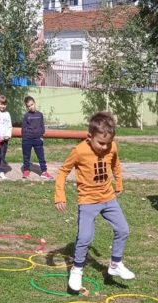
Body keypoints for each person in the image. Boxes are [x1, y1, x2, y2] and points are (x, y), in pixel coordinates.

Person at [54, 111, 134, 291]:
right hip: (88, 200)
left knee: (123, 229)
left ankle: (115, 264)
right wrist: (60, 194)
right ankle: (77, 269)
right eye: (101, 143)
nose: (105, 147)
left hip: (108, 197)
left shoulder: (112, 147)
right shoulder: (79, 151)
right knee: (84, 237)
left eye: (108, 143)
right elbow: (62, 172)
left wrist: (119, 181)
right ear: (89, 137)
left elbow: (115, 164)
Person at [21, 96, 52, 179]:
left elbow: (42, 126)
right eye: (28, 106)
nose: (31, 107)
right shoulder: (26, 115)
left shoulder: (40, 115)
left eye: (32, 104)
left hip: (37, 139)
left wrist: (41, 136)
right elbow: (23, 128)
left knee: (41, 156)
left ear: (34, 103)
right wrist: (24, 138)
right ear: (26, 107)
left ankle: (44, 172)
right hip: (27, 139)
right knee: (26, 156)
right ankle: (26, 170)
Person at [0, 94, 12, 181]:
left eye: (4, 104)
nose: (2, 106)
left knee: (2, 155)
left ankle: (1, 171)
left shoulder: (7, 114)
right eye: (1, 104)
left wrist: (8, 135)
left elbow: (9, 126)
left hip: (5, 139)